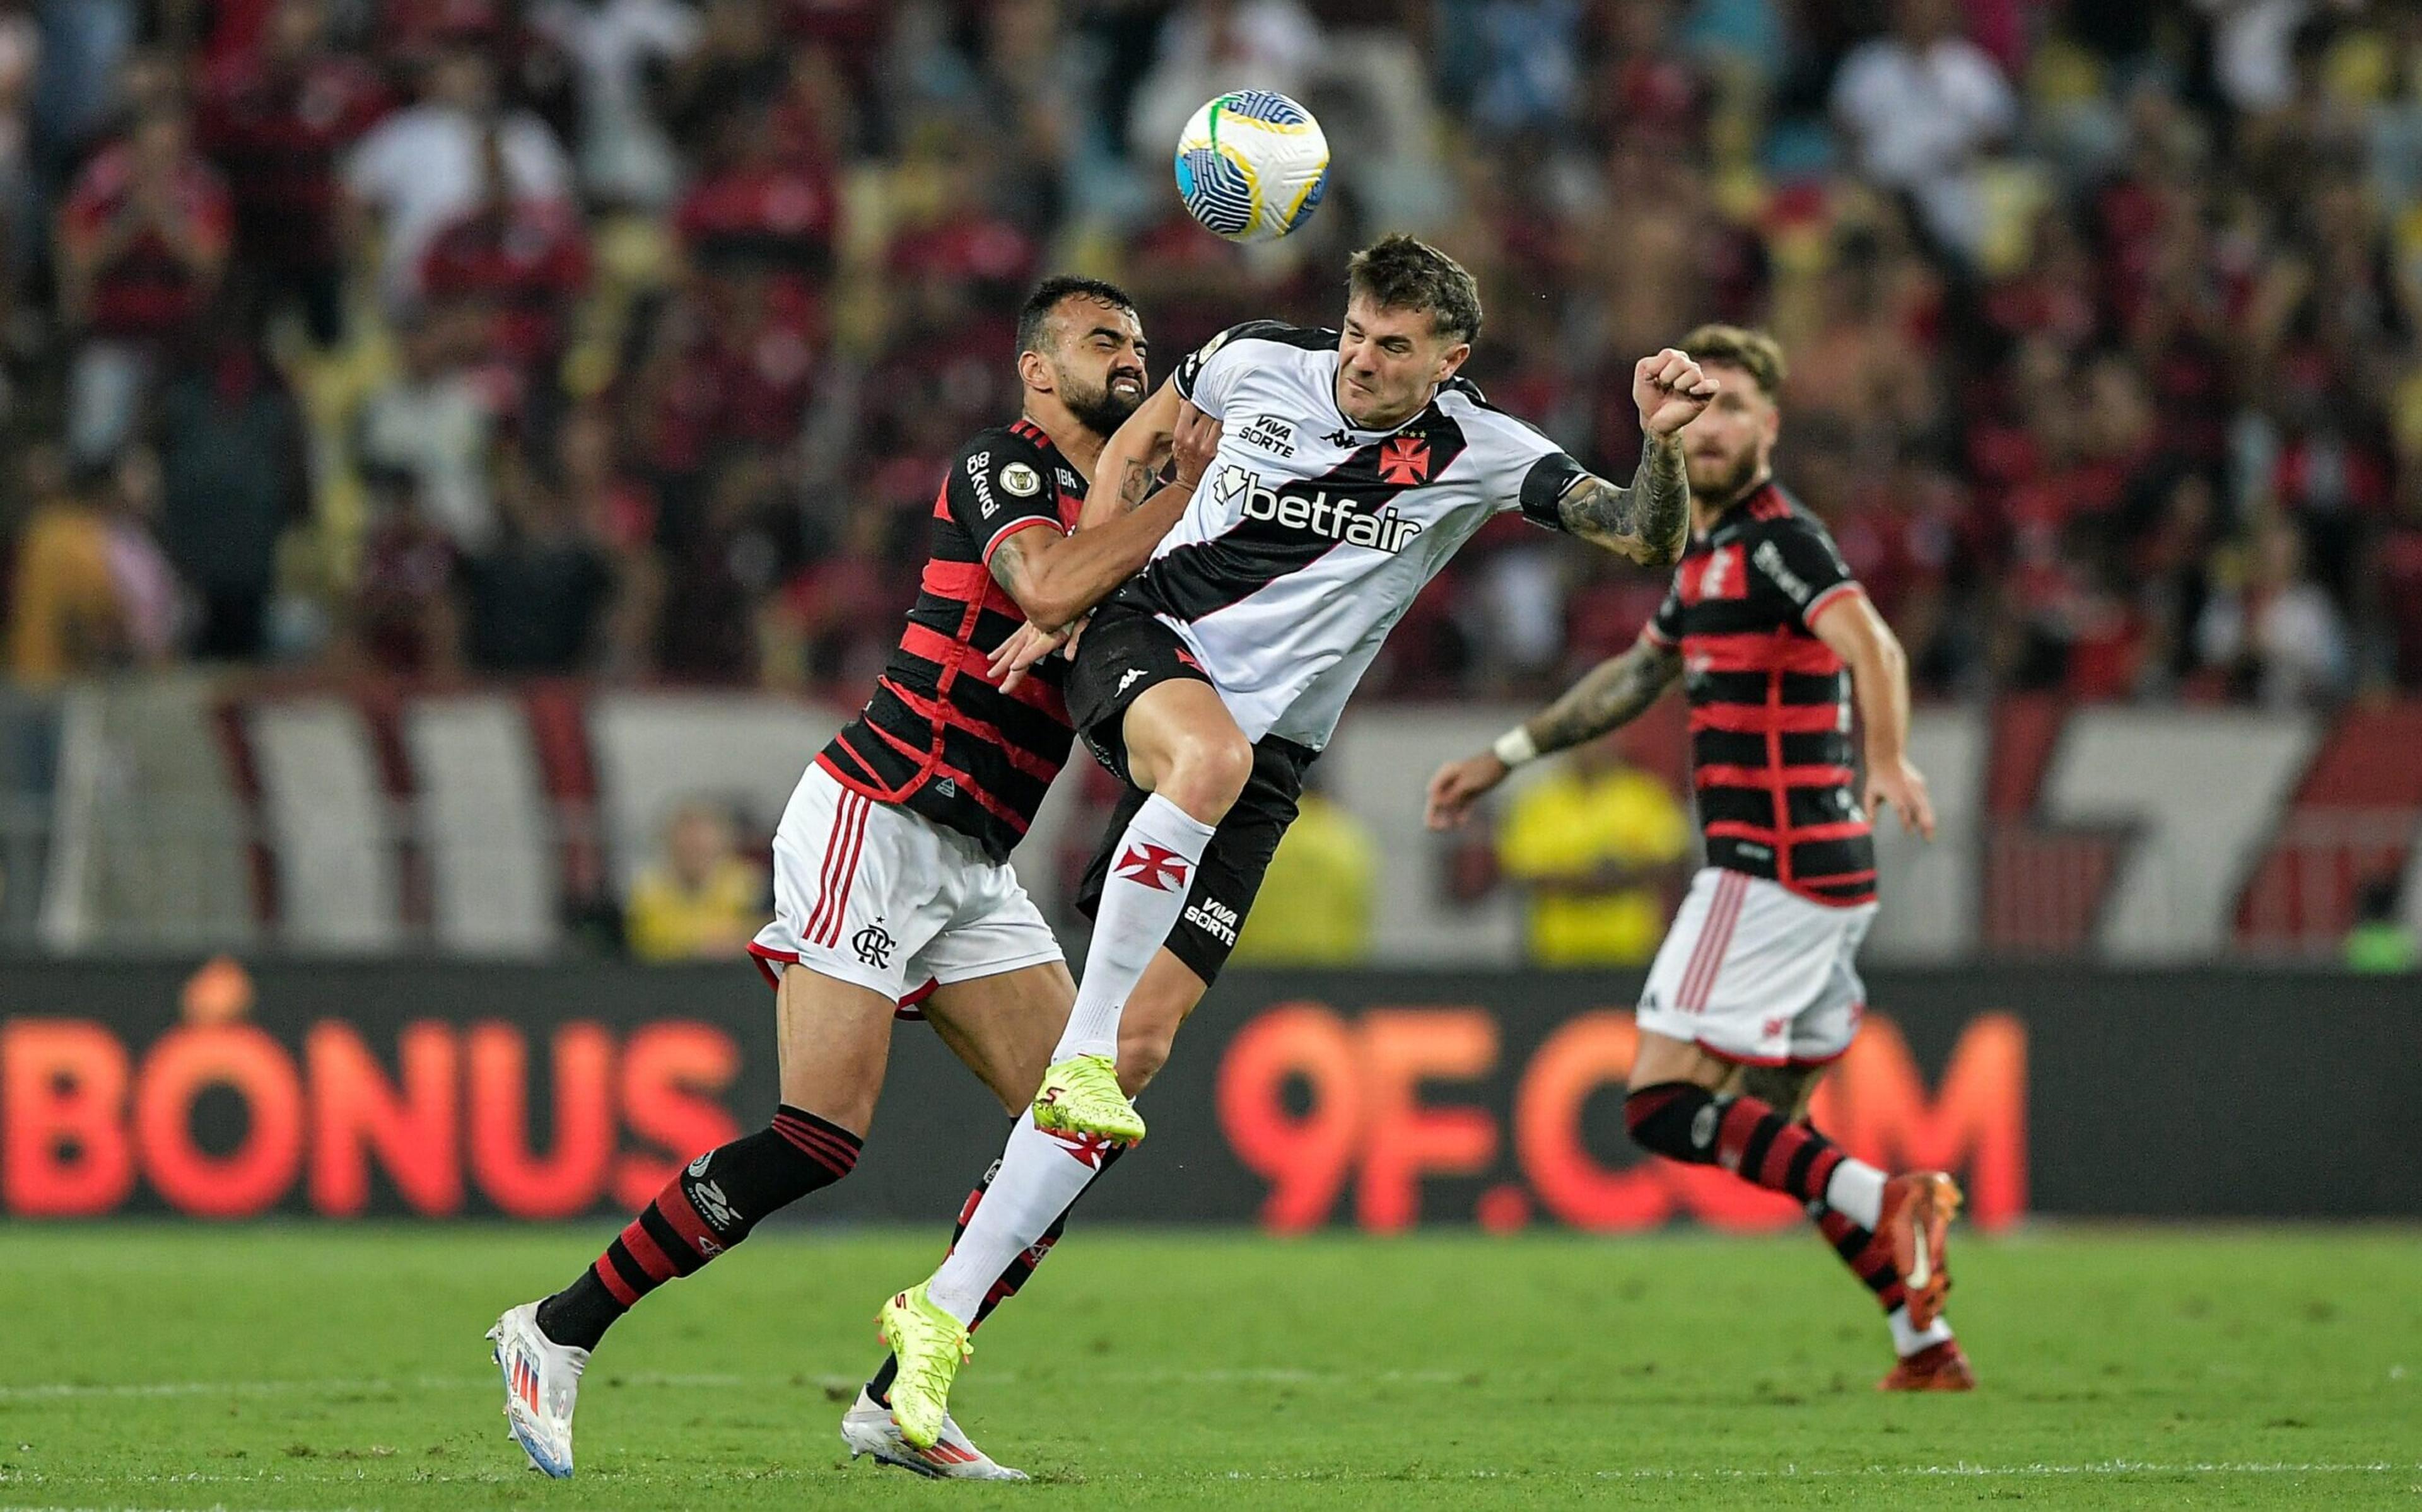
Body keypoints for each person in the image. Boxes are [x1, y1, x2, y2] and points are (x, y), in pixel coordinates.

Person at [875, 233, 1712, 1447]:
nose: (1364, 361)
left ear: (1450, 360)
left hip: (1267, 766)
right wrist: (1070, 596)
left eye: (1397, 349)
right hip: (1151, 644)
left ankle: (930, 1330)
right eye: (1359, 333)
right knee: (1192, 790)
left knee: (1149, 1044)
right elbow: (1132, 445)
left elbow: (1643, 533)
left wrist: (1665, 443)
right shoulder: (1253, 359)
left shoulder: (1480, 449)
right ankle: (1079, 1056)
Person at [486, 277, 1236, 1483]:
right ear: (1037, 368)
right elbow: (1044, 584)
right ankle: (557, 1328)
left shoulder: (1120, 515)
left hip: (976, 864)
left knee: (1074, 1119)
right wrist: (1173, 503)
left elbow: (1091, 612)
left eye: (1139, 343)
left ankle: (904, 1391)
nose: (1129, 358)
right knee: (819, 1136)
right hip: (879, 816)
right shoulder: (1004, 464)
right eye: (1103, 340)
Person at [1425, 324, 1972, 1392]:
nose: (1712, 424)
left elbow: (1876, 644)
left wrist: (1892, 759)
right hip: (1823, 880)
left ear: (1770, 424)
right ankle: (1924, 1341)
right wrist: (1506, 755)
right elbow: (1634, 678)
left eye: (1732, 408)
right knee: (1779, 1131)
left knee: (1661, 1106)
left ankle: (1894, 1200)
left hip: (1765, 868)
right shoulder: (1711, 556)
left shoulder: (1781, 541)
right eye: (1699, 404)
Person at [1494, 735, 1690, 966]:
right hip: (1555, 952)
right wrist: (1601, 878)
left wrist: (1581, 876)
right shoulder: (1537, 803)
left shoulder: (1645, 796)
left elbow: (1672, 861)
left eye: (1597, 739)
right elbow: (1523, 872)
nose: (1589, 750)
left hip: (1631, 948)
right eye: (1580, 742)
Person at [621, 800, 765, 963]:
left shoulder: (749, 885)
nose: (693, 852)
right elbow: (649, 939)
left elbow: (762, 933)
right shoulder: (647, 892)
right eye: (686, 847)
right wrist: (705, 944)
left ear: (721, 846)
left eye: (700, 847)